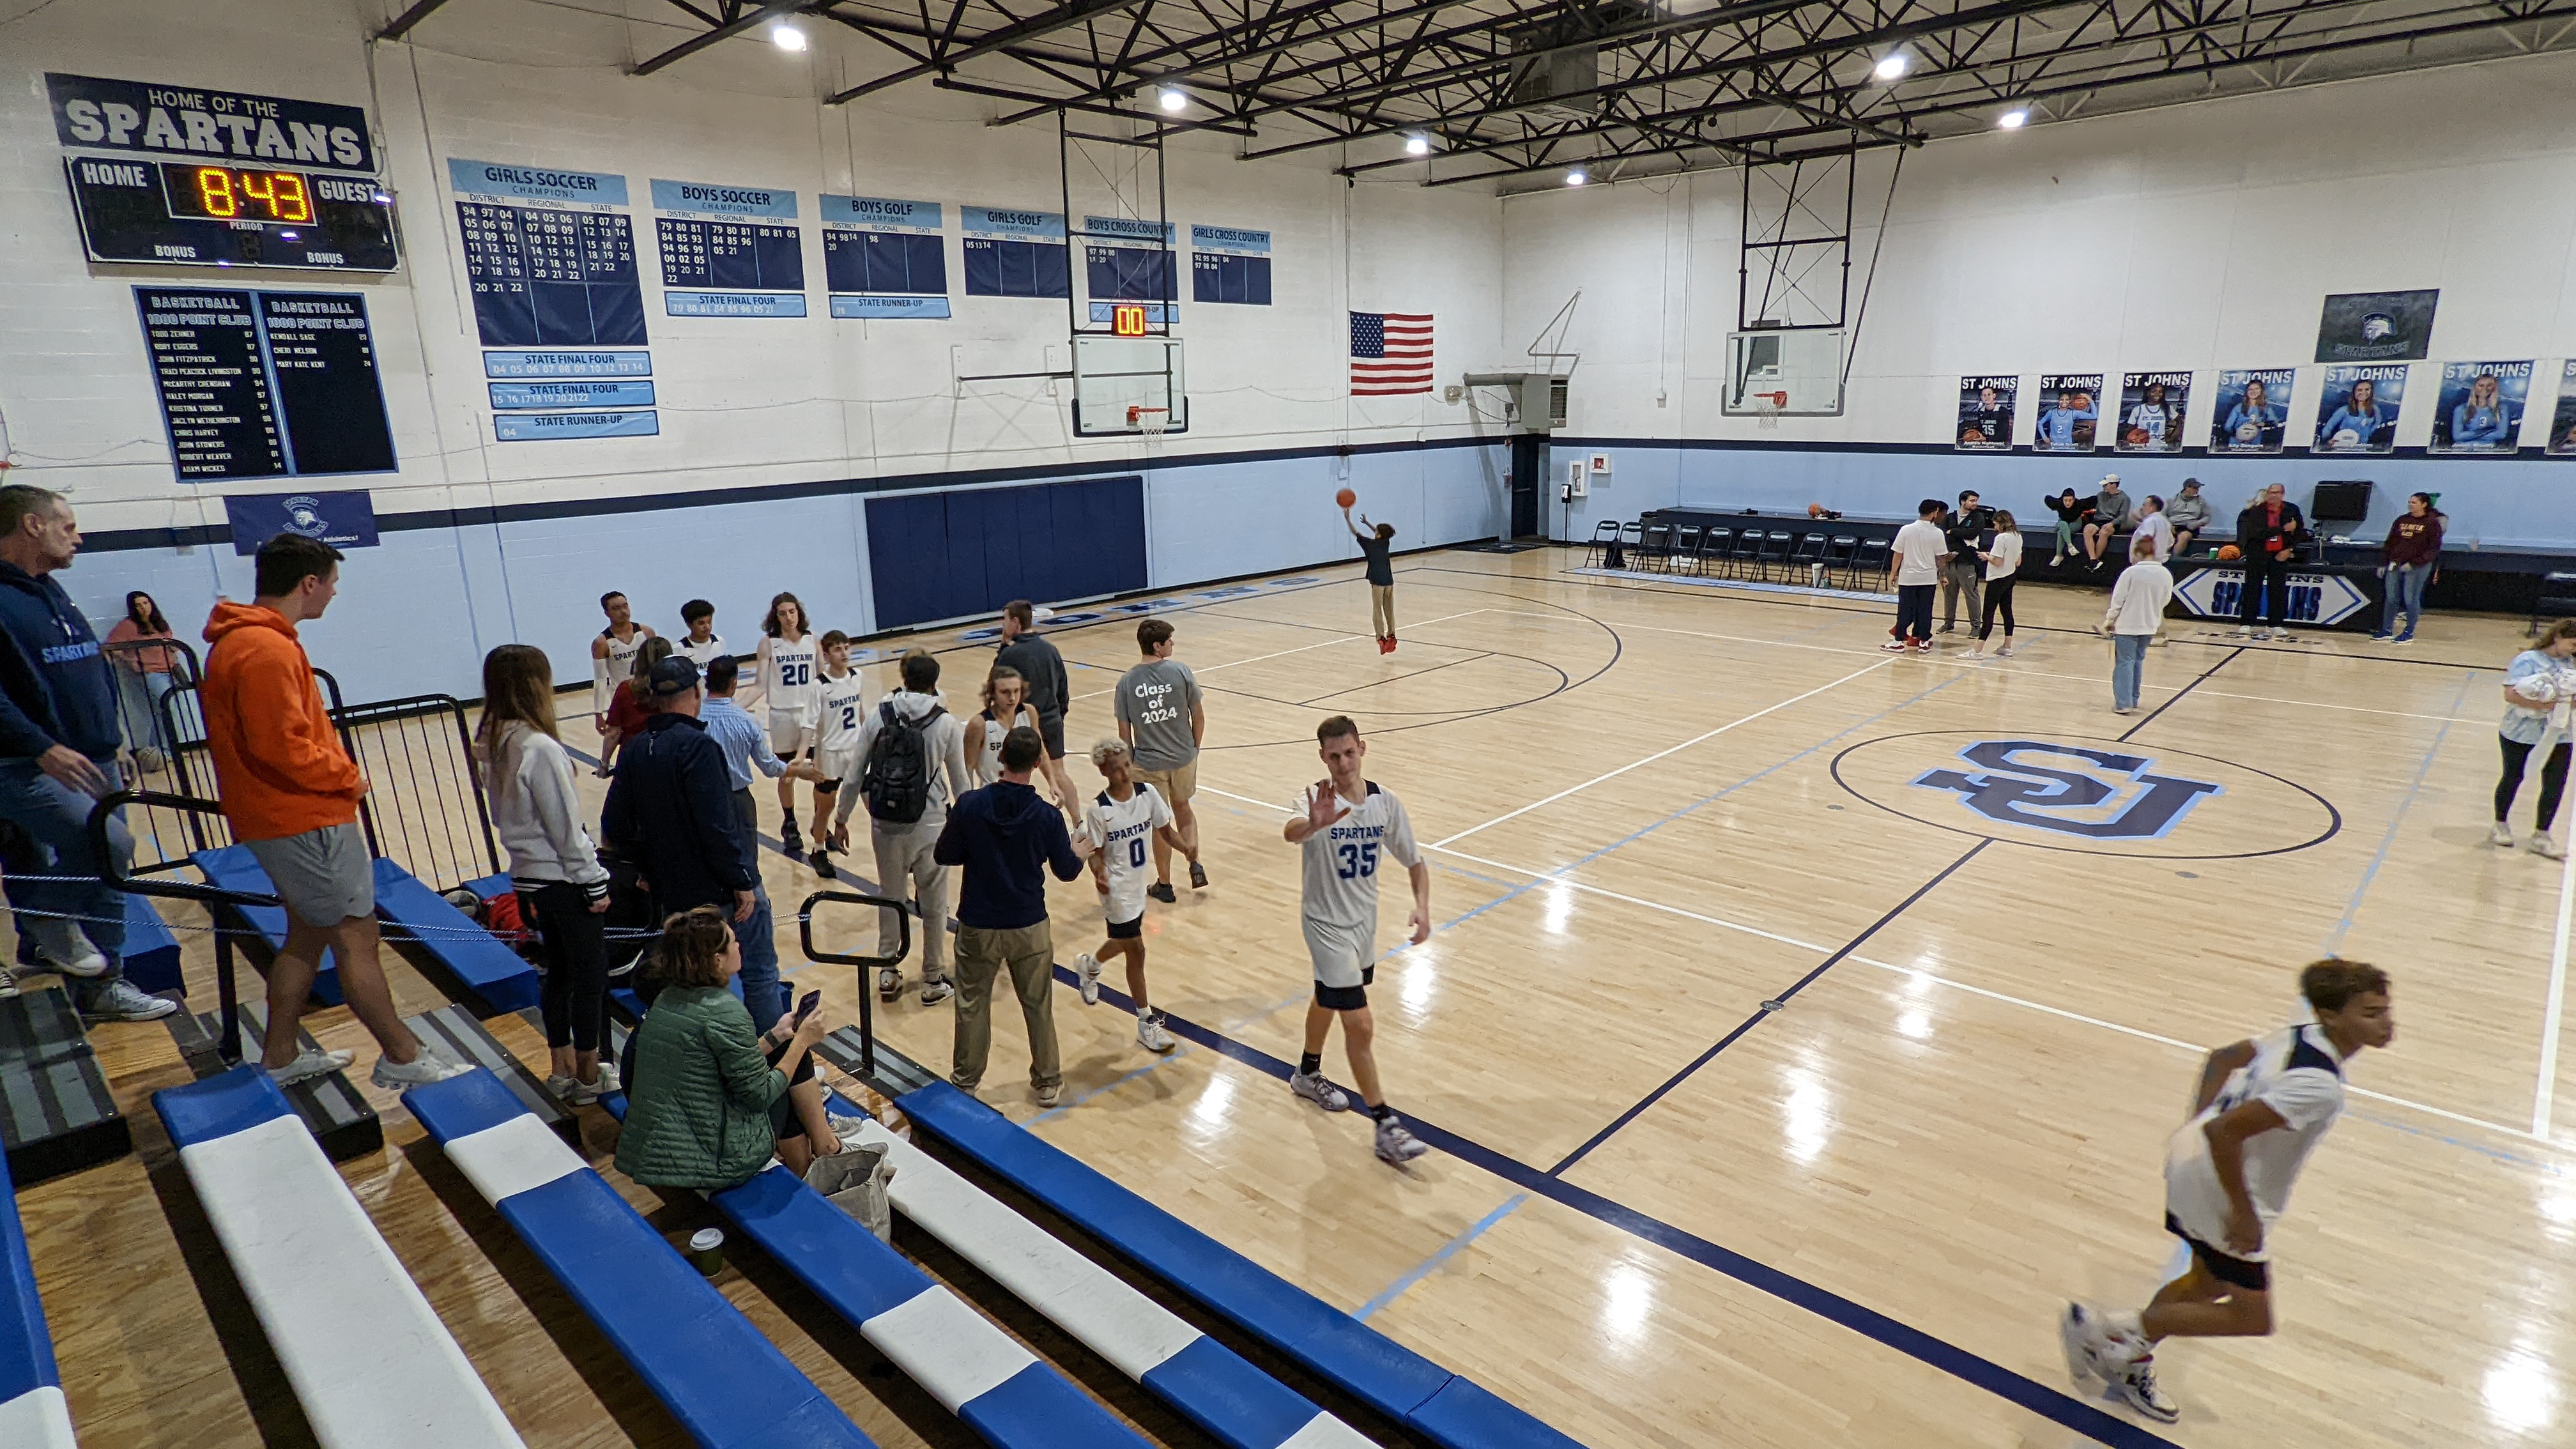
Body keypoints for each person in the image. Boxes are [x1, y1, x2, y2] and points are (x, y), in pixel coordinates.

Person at [2061, 961, 2395, 1424]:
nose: (2386, 1023)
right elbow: (2224, 1133)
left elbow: (2220, 1059)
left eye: (2385, 1010)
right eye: (2371, 1013)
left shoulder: (2299, 1036)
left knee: (2208, 1282)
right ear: (2331, 1016)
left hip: (2192, 1165)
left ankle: (2128, 1357)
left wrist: (2194, 1125)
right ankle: (2107, 1332)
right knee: (2253, 1318)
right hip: (2218, 1191)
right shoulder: (2319, 1087)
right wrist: (2243, 1213)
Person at [203, 534, 466, 1082]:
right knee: (356, 937)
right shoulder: (265, 649)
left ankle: (279, 1056)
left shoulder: (246, 641)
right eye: (332, 583)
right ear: (309, 583)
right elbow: (281, 746)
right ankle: (402, 1058)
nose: (334, 594)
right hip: (305, 819)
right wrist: (347, 777)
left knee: (306, 936)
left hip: (282, 818)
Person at [0, 486, 171, 1022]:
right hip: (29, 763)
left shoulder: (50, 589)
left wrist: (112, 739)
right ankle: (47, 920)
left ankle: (104, 987)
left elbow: (84, 670)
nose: (78, 538)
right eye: (68, 526)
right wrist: (42, 747)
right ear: (33, 525)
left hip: (92, 757)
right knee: (109, 845)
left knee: (109, 874)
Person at [601, 655, 783, 1029]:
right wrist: (743, 881)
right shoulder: (699, 747)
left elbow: (614, 824)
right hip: (717, 891)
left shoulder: (635, 749)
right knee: (760, 974)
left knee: (693, 982)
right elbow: (717, 827)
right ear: (696, 693)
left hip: (670, 896)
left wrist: (646, 869)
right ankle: (772, 1052)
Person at [1282, 716, 1430, 1165]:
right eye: (1334, 757)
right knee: (1360, 1024)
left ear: (1362, 748)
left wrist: (1422, 908)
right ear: (1322, 757)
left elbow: (1416, 862)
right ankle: (1384, 1124)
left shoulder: (1385, 803)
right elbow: (1290, 831)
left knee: (1328, 998)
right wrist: (1313, 825)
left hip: (1363, 926)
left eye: (1349, 753)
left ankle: (1306, 1073)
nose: (1343, 764)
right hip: (1325, 926)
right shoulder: (1314, 799)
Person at [613, 905, 841, 1188]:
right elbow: (760, 1095)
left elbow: (718, 1067)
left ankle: (820, 1153)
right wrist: (803, 1040)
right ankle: (821, 1160)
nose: (739, 945)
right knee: (789, 1076)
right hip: (713, 1159)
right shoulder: (724, 1011)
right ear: (717, 959)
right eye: (733, 941)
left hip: (667, 1143)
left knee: (786, 1051)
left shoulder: (670, 1000)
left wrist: (776, 1036)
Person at [476, 644, 614, 1104]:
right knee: (590, 979)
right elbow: (567, 830)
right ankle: (589, 1077)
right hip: (563, 882)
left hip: (527, 879)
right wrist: (594, 882)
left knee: (558, 973)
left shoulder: (495, 743)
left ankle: (562, 1069)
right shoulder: (539, 748)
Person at [933, 726, 1092, 1106]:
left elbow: (944, 854)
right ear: (1037, 764)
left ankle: (966, 1081)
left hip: (978, 923)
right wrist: (1079, 853)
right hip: (1028, 924)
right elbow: (1067, 871)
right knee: (1038, 1006)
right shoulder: (1047, 816)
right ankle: (1048, 1083)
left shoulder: (970, 805)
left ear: (1001, 757)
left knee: (972, 1005)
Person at [832, 648, 972, 1006]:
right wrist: (971, 829)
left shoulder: (878, 716)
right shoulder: (946, 723)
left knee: (890, 896)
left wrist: (841, 818)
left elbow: (854, 774)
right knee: (934, 903)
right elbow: (961, 784)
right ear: (935, 683)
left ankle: (887, 969)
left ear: (903, 678)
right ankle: (933, 977)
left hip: (885, 822)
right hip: (932, 822)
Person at [1075, 738, 1183, 1054]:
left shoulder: (1147, 793)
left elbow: (1166, 830)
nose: (1125, 773)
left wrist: (1188, 850)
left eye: (1127, 765)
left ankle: (1090, 965)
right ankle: (1146, 1022)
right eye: (1117, 769)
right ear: (1103, 771)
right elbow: (1094, 854)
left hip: (1138, 886)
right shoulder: (1099, 809)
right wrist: (1099, 874)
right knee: (1136, 950)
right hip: (1116, 891)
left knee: (1123, 941)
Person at [1114, 618, 1208, 900]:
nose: (1173, 644)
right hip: (1183, 757)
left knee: (1161, 823)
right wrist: (1194, 749)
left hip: (1149, 765)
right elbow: (1198, 716)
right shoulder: (1181, 671)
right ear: (1157, 646)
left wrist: (1130, 765)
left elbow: (1124, 733)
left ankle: (1164, 885)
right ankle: (1194, 864)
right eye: (1169, 641)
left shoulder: (1126, 682)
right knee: (1184, 810)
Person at [2492, 620, 2576, 856]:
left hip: (2559, 734)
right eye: (2572, 643)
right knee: (2513, 777)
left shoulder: (2573, 663)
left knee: (2555, 783)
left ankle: (2541, 835)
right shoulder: (2527, 660)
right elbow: (2511, 695)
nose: (2574, 649)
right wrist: (2545, 705)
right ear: (2557, 637)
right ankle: (2500, 824)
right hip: (2520, 732)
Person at [750, 592, 824, 859]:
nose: (789, 617)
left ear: (799, 613)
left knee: (821, 770)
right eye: (783, 613)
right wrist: (735, 706)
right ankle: (790, 822)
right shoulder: (769, 644)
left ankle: (821, 822)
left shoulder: (813, 640)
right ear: (776, 617)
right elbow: (760, 685)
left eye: (792, 612)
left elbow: (823, 680)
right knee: (787, 773)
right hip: (782, 715)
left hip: (811, 714)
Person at [993, 601, 1078, 808]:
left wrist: (1003, 646)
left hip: (1024, 724)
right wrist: (1059, 715)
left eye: (1005, 620)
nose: (1003, 625)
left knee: (1016, 774)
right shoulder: (1050, 649)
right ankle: (1078, 822)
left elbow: (996, 682)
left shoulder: (1010, 654)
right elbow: (1063, 688)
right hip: (1052, 719)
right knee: (1059, 773)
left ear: (1015, 622)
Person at [806, 631, 873, 880]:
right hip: (830, 754)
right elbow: (809, 724)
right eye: (837, 649)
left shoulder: (857, 677)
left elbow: (860, 711)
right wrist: (805, 755)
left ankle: (893, 850)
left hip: (856, 751)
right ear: (826, 655)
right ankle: (818, 850)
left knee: (873, 804)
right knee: (825, 808)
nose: (844, 653)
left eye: (847, 647)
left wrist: (870, 739)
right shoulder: (819, 686)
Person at [104, 590, 180, 764]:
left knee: (162, 712)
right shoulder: (129, 625)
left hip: (168, 670)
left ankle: (156, 750)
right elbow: (110, 646)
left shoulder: (159, 623)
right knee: (168, 708)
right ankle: (165, 750)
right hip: (151, 673)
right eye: (138, 605)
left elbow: (171, 645)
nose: (143, 608)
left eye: (145, 603)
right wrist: (131, 659)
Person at [2104, 535, 2175, 716]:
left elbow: (2118, 600)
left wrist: (2109, 621)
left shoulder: (2131, 573)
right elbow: (2166, 600)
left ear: (2137, 553)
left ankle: (2123, 703)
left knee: (2125, 662)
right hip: (2149, 625)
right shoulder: (2165, 574)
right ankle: (2134, 699)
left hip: (2128, 625)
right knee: (2137, 661)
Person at [2232, 483, 2307, 641]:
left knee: (2278, 590)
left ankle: (2275, 624)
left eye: (2277, 493)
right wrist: (2282, 529)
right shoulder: (2256, 511)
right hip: (2258, 554)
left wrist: (2289, 549)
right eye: (2271, 492)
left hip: (2280, 554)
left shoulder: (2291, 510)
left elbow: (2300, 532)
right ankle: (2247, 623)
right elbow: (2256, 533)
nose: (2273, 495)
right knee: (2252, 588)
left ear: (2283, 494)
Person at [595, 634, 671, 779]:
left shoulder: (626, 690)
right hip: (668, 756)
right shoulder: (677, 690)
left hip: (633, 758)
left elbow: (613, 733)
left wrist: (604, 765)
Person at [2373, 493, 2443, 643]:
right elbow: (2390, 543)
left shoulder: (2432, 523)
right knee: (2391, 597)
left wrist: (2415, 563)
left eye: (2414, 502)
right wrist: (2383, 563)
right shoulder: (2402, 520)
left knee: (2411, 599)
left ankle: (2409, 631)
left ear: (2424, 504)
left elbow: (2433, 549)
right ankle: (2386, 629)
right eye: (2409, 502)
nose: (2411, 505)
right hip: (2396, 564)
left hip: (2417, 566)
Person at [1883, 499, 1946, 654]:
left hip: (1908, 578)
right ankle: (1923, 642)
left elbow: (1898, 554)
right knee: (1925, 610)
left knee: (1905, 609)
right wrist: (1943, 575)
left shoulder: (1906, 530)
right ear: (1935, 513)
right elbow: (1941, 558)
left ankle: (1898, 642)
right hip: (1928, 578)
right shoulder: (1937, 533)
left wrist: (1893, 573)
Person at [590, 591, 655, 739]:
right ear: (607, 613)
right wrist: (598, 713)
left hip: (649, 695)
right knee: (626, 740)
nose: (623, 611)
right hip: (623, 698)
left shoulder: (646, 632)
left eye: (625, 606)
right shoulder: (602, 643)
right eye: (616, 608)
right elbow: (600, 680)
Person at [967, 664, 1043, 788]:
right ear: (992, 693)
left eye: (1016, 691)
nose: (1012, 698)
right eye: (1005, 692)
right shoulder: (979, 724)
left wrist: (1053, 782)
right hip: (990, 792)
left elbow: (1041, 751)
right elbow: (968, 767)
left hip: (1021, 789)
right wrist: (967, 796)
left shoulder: (1029, 712)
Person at [1965, 510, 2023, 660]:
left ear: (2001, 523)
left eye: (1996, 524)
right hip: (2010, 577)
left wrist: (1986, 556)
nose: (1995, 527)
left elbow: (1997, 562)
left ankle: (1977, 651)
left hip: (1997, 579)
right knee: (2007, 611)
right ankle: (2007, 647)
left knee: (1988, 614)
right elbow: (2018, 562)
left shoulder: (2001, 538)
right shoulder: (2018, 536)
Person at [1344, 505, 1400, 651]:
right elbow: (1379, 531)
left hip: (1378, 582)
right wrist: (1367, 523)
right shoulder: (1386, 542)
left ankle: (1380, 637)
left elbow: (1355, 532)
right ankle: (1392, 635)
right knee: (1389, 609)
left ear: (1379, 534)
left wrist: (1348, 519)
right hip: (1389, 581)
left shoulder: (1369, 545)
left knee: (1377, 609)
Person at [1936, 489, 1991, 636]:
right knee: (1949, 594)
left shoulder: (1978, 517)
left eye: (1976, 501)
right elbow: (1943, 534)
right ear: (1963, 502)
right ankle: (1948, 623)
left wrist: (1954, 532)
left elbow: (1973, 533)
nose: (1975, 504)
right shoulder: (1949, 517)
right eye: (1972, 501)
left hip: (1968, 562)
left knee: (1971, 594)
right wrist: (1958, 534)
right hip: (1950, 561)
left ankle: (1976, 626)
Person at [2449, 372, 2515, 450]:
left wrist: (2470, 435)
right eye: (2481, 385)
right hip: (2463, 449)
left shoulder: (2501, 409)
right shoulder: (2461, 409)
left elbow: (2501, 434)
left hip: (2488, 449)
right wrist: (2487, 431)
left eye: (2489, 385)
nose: (2485, 389)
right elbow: (2457, 436)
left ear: (2494, 388)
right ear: (2475, 387)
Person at [2317, 377, 2386, 451]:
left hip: (2362, 449)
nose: (2363, 393)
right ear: (2354, 392)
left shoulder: (2375, 409)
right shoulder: (2344, 410)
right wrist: (2328, 441)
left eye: (2367, 390)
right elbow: (2329, 427)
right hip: (2343, 448)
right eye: (2360, 390)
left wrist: (2368, 433)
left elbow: (2377, 423)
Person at [2081, 475, 2133, 569]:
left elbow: (2123, 516)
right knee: (2088, 530)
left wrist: (2112, 523)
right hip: (2098, 520)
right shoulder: (2100, 495)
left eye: (2106, 485)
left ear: (2114, 485)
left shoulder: (2125, 498)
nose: (2104, 487)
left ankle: (2095, 560)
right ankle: (2093, 560)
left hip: (2113, 522)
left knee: (2104, 532)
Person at [2221, 377, 2281, 450]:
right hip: (2236, 445)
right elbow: (2228, 426)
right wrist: (2238, 435)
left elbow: (2275, 422)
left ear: (2261, 391)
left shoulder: (2266, 408)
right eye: (2250, 389)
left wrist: (2263, 424)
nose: (2253, 392)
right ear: (2247, 392)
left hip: (2255, 445)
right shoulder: (2239, 407)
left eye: (2257, 389)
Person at [2035, 387, 2097, 451]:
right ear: (2059, 401)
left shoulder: (2073, 413)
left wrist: (2090, 400)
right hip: (2053, 447)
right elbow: (2040, 424)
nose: (2064, 402)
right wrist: (2044, 437)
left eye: (2067, 400)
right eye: (2062, 399)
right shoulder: (2052, 412)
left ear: (2070, 401)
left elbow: (2094, 416)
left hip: (2068, 447)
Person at [673, 598, 727, 670]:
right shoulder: (680, 649)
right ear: (689, 625)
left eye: (709, 622)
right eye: (701, 623)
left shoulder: (719, 641)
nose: (707, 627)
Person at [2041, 487, 2089, 567]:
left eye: (2070, 501)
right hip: (2062, 523)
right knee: (2063, 524)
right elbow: (2048, 499)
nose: (2067, 503)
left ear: (2074, 500)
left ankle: (2059, 555)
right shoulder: (2059, 503)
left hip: (2075, 523)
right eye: (2065, 501)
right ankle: (2070, 546)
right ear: (2062, 500)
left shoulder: (2079, 504)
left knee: (2061, 532)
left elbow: (2093, 500)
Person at [2123, 381, 2179, 449]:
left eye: (2160, 392)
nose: (2157, 394)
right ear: (2148, 393)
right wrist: (2136, 439)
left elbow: (2181, 422)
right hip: (2141, 449)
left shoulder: (2167, 408)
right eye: (2154, 391)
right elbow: (2131, 430)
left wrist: (2172, 437)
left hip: (2160, 448)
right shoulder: (2138, 409)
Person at [2165, 479, 2211, 556]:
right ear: (2187, 488)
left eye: (2198, 488)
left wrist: (2196, 524)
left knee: (2184, 537)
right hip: (2173, 525)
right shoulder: (2172, 500)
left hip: (2189, 527)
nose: (2197, 491)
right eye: (2195, 488)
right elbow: (2163, 515)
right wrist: (2168, 526)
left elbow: (2207, 517)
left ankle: (2174, 558)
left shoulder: (2201, 501)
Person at [2133, 494, 2174, 562]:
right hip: (2162, 561)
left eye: (2144, 505)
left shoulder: (2150, 521)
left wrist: (2139, 557)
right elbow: (2171, 542)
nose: (2142, 508)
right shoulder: (2166, 522)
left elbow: (2146, 540)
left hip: (2146, 561)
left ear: (2152, 507)